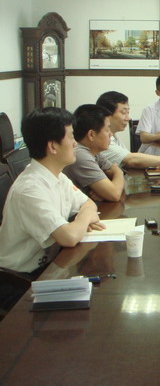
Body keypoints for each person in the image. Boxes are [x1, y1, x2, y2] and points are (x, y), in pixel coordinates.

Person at [0, 107, 104, 277]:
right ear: (53, 146)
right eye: (71, 137)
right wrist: (85, 219)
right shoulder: (29, 189)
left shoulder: (56, 175)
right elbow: (69, 237)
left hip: (50, 266)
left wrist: (81, 219)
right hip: (19, 279)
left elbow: (88, 203)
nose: (75, 143)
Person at [96, 91, 160, 170]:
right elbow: (131, 160)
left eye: (128, 113)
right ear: (106, 115)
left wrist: (151, 164)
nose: (128, 118)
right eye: (123, 112)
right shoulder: (101, 141)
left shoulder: (113, 136)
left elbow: (126, 161)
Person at [63, 104, 125, 202]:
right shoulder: (80, 154)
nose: (111, 134)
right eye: (107, 130)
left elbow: (111, 174)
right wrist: (119, 172)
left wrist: (103, 190)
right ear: (91, 135)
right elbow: (115, 194)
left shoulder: (93, 151)